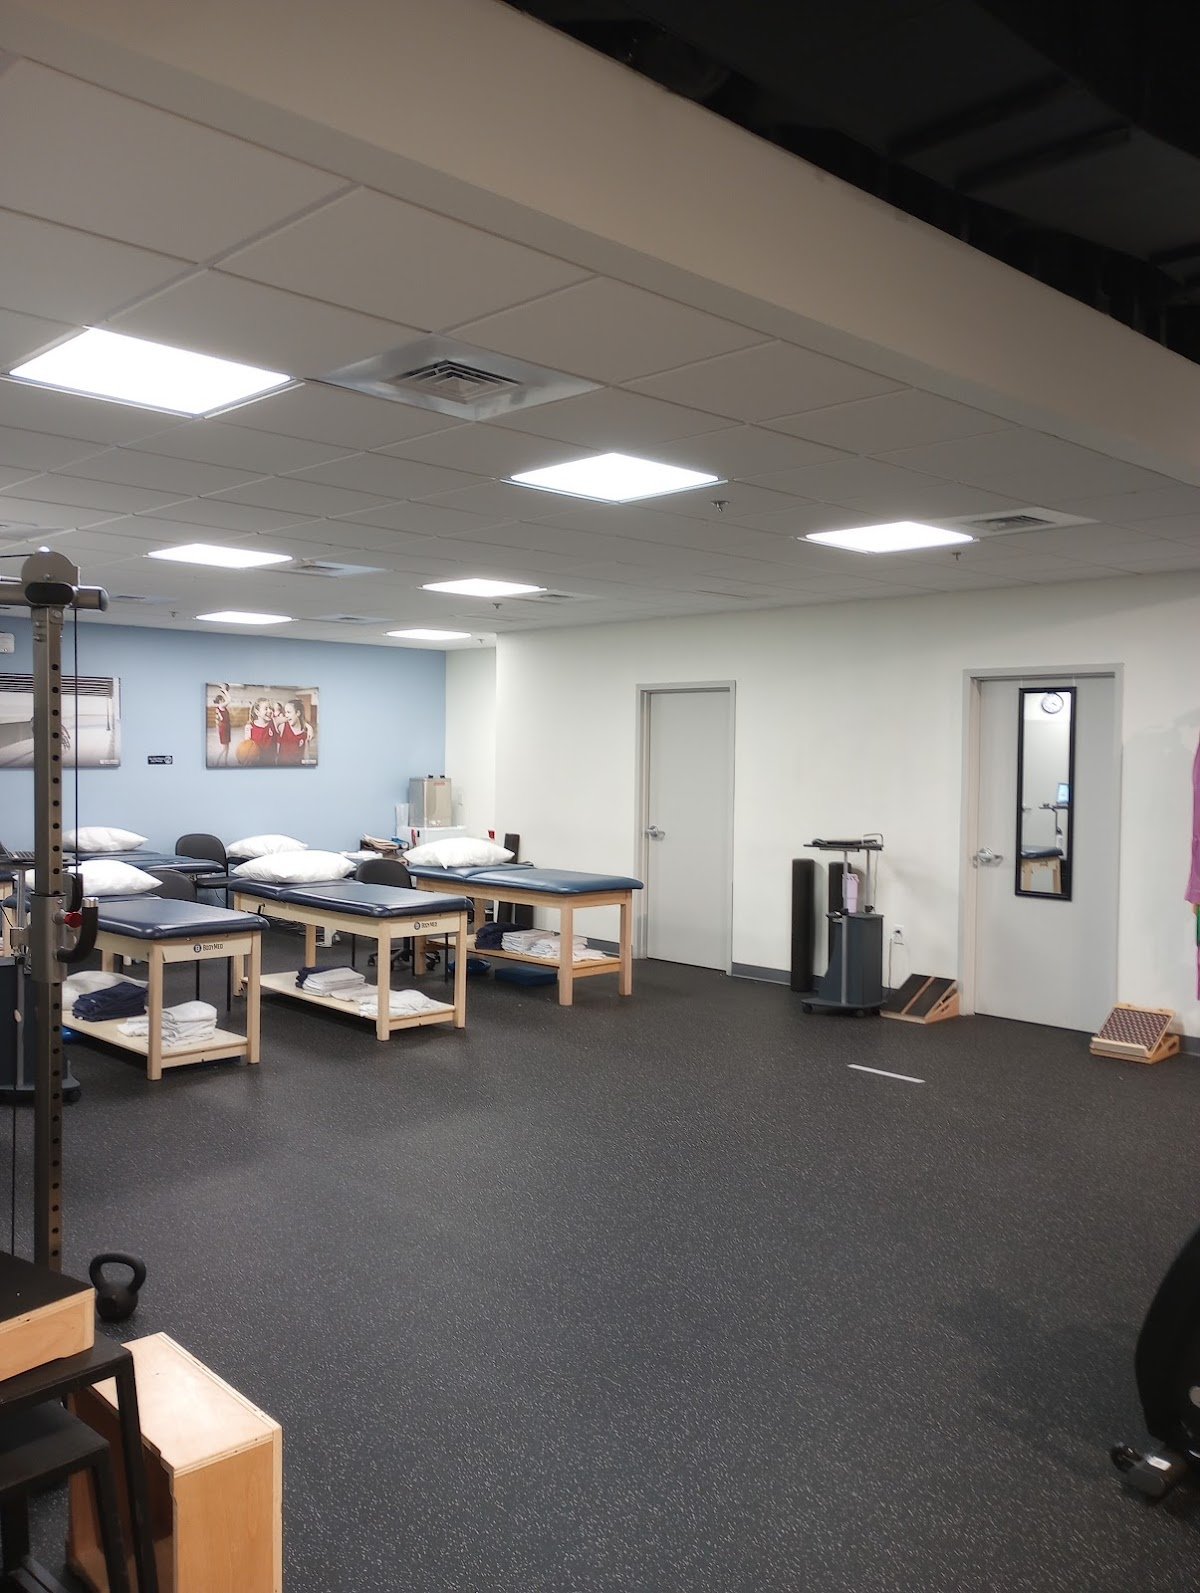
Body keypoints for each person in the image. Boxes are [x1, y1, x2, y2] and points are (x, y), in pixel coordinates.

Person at [276, 698, 314, 766]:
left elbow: (306, 756)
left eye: (289, 712)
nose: (286, 715)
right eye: (285, 712)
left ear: (298, 713)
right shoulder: (282, 727)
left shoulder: (305, 734)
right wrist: (309, 727)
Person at [243, 697, 277, 765]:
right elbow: (247, 749)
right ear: (257, 712)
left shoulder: (274, 723)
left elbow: (287, 719)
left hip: (271, 764)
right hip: (256, 765)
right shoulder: (250, 728)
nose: (270, 711)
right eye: (266, 708)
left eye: (270, 708)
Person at [212, 689, 232, 766]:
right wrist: (225, 690)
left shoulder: (220, 707)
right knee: (224, 748)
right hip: (224, 728)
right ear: (220, 701)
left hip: (226, 727)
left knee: (227, 747)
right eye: (223, 699)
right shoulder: (221, 706)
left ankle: (225, 762)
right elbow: (229, 699)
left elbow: (217, 721)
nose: (224, 700)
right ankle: (216, 761)